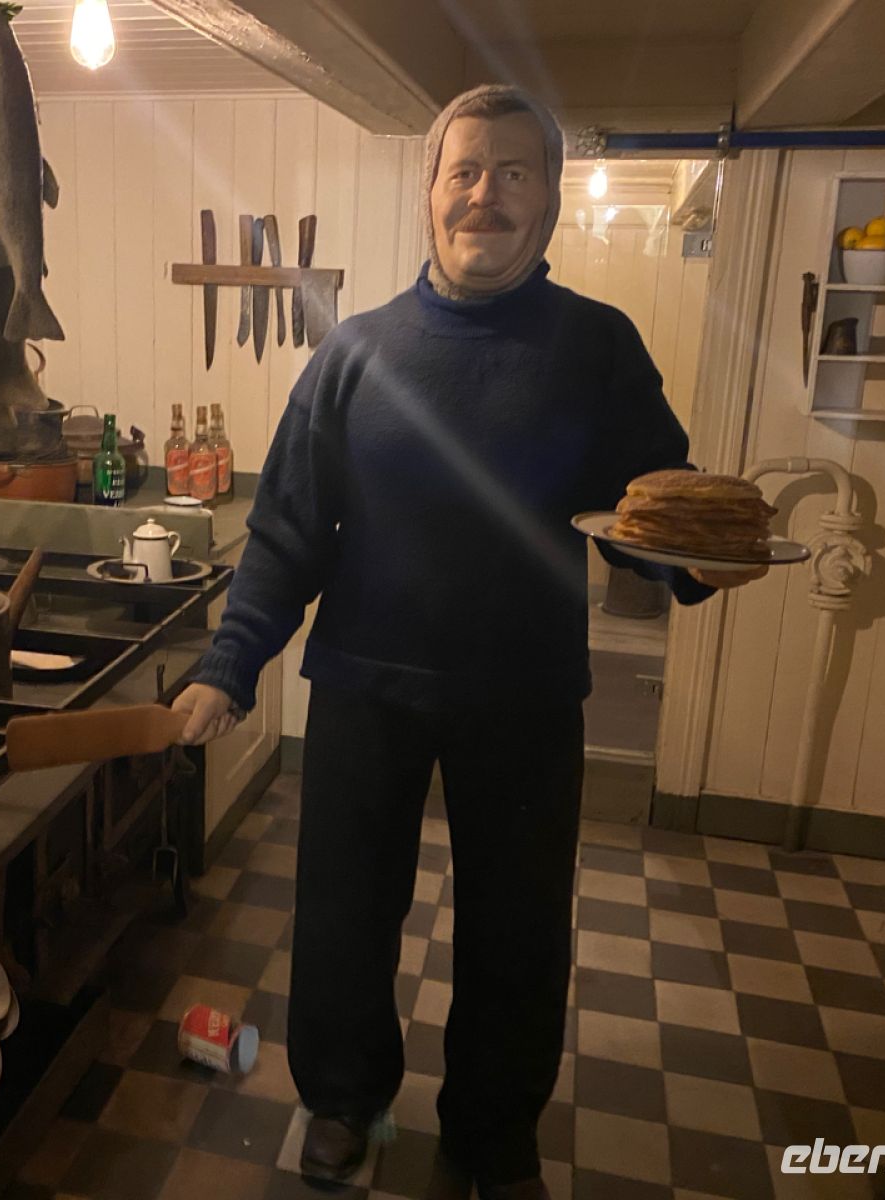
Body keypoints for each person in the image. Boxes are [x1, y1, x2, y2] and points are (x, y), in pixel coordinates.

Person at [170, 84, 765, 1200]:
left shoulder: (597, 347)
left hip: (525, 695)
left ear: (549, 201)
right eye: (465, 171)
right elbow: (287, 533)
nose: (485, 194)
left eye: (513, 172)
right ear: (429, 193)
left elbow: (648, 507)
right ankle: (342, 1100)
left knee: (518, 932)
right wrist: (228, 664)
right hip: (364, 688)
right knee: (343, 917)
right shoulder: (354, 353)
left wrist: (693, 563)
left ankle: (492, 1134)